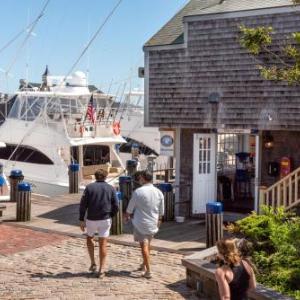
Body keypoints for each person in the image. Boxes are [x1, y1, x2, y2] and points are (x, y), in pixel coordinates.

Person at [79, 169, 119, 278]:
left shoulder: (89, 188)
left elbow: (83, 205)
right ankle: (102, 269)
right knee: (103, 243)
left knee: (89, 238)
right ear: (105, 177)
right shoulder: (111, 188)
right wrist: (111, 215)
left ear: (95, 177)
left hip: (91, 219)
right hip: (105, 218)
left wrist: (81, 219)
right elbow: (116, 205)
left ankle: (92, 262)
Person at [125, 170, 164, 279]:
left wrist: (127, 216)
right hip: (153, 222)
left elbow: (130, 208)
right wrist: (159, 222)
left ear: (142, 178)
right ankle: (143, 264)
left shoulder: (138, 192)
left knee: (144, 247)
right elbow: (161, 211)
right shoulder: (159, 192)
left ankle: (148, 271)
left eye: (140, 177)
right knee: (148, 245)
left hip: (141, 223)